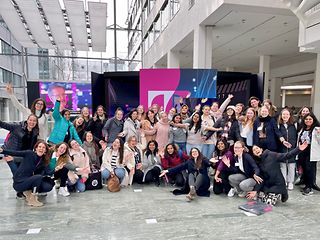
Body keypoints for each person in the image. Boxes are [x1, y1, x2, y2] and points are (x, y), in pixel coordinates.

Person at [0, 140, 52, 207]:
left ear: (45, 150)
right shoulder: (29, 153)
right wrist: (3, 151)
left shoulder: (43, 161)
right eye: (39, 147)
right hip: (19, 183)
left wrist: (57, 169)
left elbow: (49, 172)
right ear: (36, 148)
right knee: (38, 177)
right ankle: (32, 199)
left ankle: (30, 194)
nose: (41, 149)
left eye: (43, 147)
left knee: (43, 183)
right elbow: (16, 153)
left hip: (28, 181)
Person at [297, 113, 320, 195]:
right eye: (306, 119)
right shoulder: (302, 128)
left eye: (310, 119)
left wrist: (319, 134)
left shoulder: (316, 129)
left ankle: (309, 187)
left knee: (310, 169)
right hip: (302, 151)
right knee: (305, 169)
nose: (308, 121)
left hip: (311, 151)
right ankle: (307, 185)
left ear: (313, 120)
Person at [277, 108, 297, 190]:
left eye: (287, 114)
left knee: (291, 166)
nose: (285, 116)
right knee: (282, 166)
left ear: (290, 116)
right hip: (282, 149)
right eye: (283, 114)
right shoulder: (279, 125)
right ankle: (283, 181)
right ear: (281, 116)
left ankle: (290, 182)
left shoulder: (294, 125)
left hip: (292, 149)